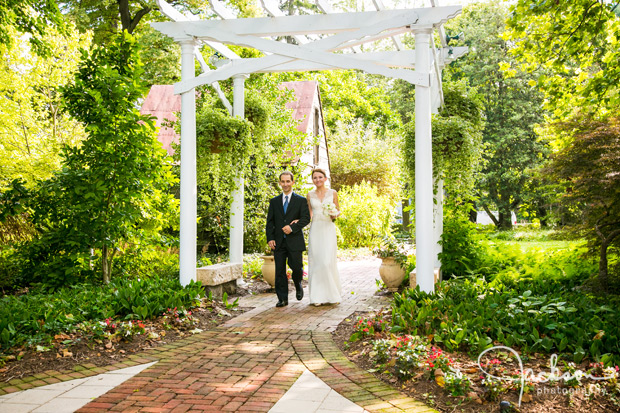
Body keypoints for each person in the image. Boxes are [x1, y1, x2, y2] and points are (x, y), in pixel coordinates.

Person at [266, 171, 311, 307]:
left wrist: (293, 228)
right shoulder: (274, 202)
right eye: (283, 181)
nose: (285, 184)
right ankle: (282, 298)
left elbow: (306, 218)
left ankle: (298, 283)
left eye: (288, 181)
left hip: (295, 240)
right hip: (279, 242)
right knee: (279, 270)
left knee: (296, 267)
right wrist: (270, 238)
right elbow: (270, 222)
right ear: (280, 183)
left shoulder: (301, 200)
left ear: (292, 182)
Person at [306, 168, 341, 305]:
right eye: (315, 178)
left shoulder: (333, 193)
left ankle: (332, 295)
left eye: (320, 177)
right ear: (312, 180)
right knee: (317, 261)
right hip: (316, 229)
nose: (318, 180)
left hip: (328, 228)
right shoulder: (309, 195)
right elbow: (308, 215)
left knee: (327, 261)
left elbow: (338, 210)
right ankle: (317, 297)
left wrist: (334, 214)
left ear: (325, 178)